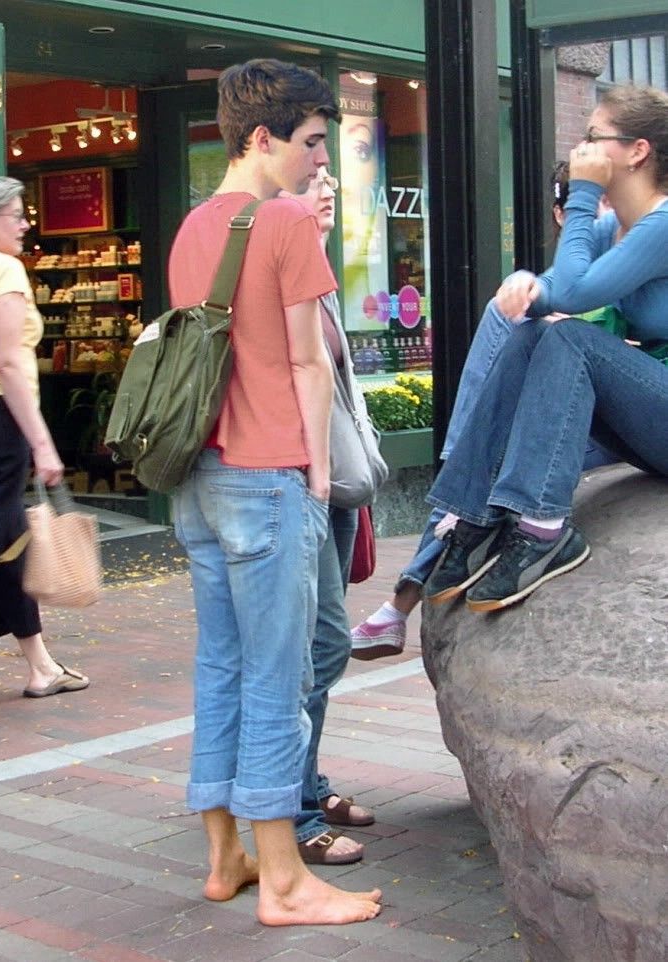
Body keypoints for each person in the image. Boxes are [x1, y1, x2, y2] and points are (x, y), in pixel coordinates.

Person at [167, 59, 381, 926]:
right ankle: (286, 881)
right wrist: (318, 478)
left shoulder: (193, 224)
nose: (317, 163)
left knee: (221, 667)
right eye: (310, 143)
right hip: (266, 477)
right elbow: (301, 360)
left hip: (199, 481)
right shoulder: (286, 218)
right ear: (263, 137)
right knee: (277, 682)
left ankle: (227, 858)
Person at [351, 161, 620, 659]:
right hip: (548, 419)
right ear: (562, 216)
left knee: (489, 456)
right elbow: (539, 291)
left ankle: (405, 594)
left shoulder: (634, 251)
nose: (603, 215)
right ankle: (462, 483)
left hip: (600, 422)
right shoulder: (564, 276)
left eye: (608, 201)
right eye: (587, 206)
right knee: (511, 314)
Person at [424, 82, 668, 611]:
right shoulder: (613, 229)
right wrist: (525, 284)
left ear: (637, 150)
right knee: (539, 333)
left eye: (593, 137)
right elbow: (554, 293)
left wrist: (580, 196)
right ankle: (471, 512)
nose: (578, 152)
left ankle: (541, 529)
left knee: (569, 339)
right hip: (652, 411)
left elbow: (577, 297)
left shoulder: (663, 224)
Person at [279, 169, 375, 867]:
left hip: (335, 482)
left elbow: (338, 385)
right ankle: (293, 810)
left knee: (320, 648)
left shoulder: (320, 273)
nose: (328, 186)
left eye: (331, 179)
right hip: (296, 481)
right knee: (319, 648)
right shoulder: (275, 267)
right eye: (312, 174)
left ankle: (307, 784)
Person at [0, 176, 89, 698]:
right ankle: (41, 666)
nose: (25, 224)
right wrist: (42, 443)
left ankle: (41, 664)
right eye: (16, 215)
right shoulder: (3, 271)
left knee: (5, 542)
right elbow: (6, 362)